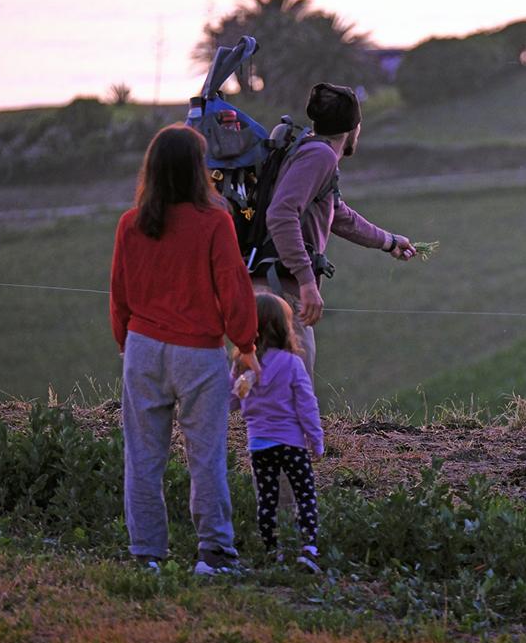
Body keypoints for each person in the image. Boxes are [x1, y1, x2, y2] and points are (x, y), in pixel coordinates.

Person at [110, 124, 260, 575]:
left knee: (143, 458)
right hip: (198, 354)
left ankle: (147, 555)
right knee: (206, 457)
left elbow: (119, 293)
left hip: (143, 348)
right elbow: (233, 287)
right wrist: (247, 345)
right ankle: (214, 554)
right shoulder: (215, 222)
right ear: (199, 169)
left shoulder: (130, 224)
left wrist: (127, 343)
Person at [262, 82, 416, 375]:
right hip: (282, 289)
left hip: (275, 285)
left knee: (271, 386)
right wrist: (306, 280)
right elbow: (281, 214)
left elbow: (337, 214)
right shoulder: (320, 157)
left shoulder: (309, 151)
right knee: (293, 388)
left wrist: (389, 241)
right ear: (353, 128)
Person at [231, 292, 324, 572]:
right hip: (293, 445)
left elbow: (231, 400)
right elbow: (307, 404)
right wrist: (316, 440)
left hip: (259, 445)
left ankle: (273, 550)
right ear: (285, 326)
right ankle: (308, 547)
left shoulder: (243, 364)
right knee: (305, 494)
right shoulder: (292, 364)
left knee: (267, 499)